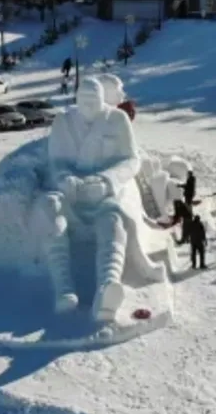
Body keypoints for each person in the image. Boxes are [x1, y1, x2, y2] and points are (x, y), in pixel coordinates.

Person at [39, 77, 166, 320]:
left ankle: (108, 287)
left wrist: (107, 180)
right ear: (76, 99)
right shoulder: (63, 122)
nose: (88, 105)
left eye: (94, 100)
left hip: (105, 192)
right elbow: (55, 161)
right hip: (71, 192)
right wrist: (65, 178)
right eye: (84, 100)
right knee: (51, 210)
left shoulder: (117, 119)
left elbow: (131, 160)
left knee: (113, 219)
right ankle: (63, 289)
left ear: (102, 99)